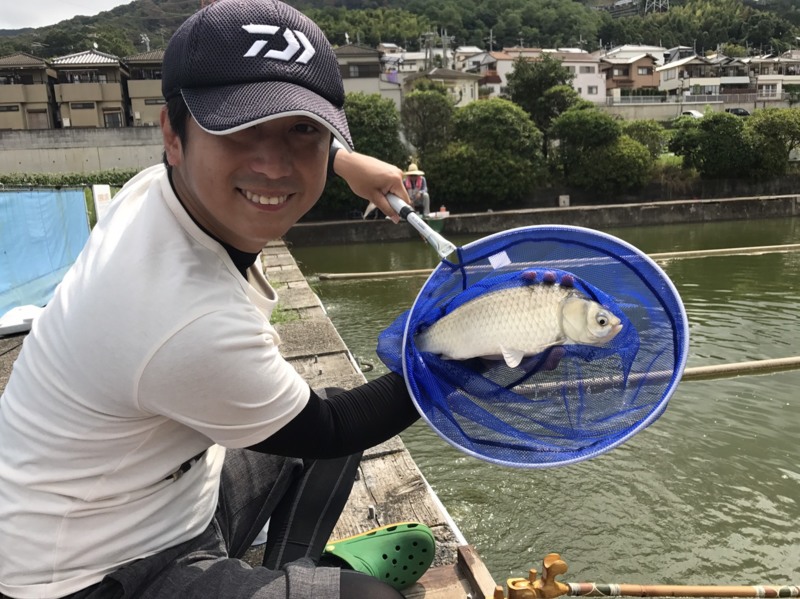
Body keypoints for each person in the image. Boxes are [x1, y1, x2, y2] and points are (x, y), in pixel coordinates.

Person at [0, 1, 429, 598]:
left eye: (302, 128)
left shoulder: (155, 188)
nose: (274, 165)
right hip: (88, 574)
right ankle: (301, 585)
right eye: (239, 127)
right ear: (173, 135)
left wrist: (343, 161)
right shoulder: (182, 314)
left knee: (311, 422)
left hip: (166, 500)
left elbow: (282, 157)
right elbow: (329, 429)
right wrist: (449, 362)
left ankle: (285, 578)